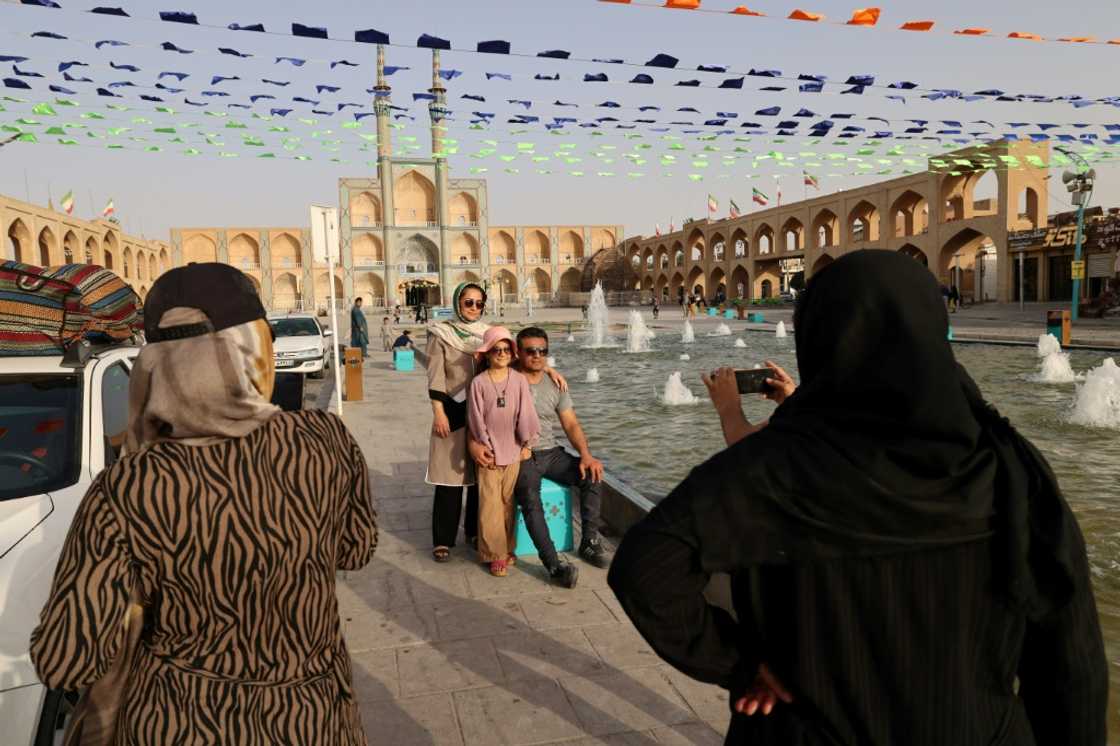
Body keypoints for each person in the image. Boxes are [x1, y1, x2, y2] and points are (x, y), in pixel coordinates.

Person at [608, 250, 1107, 746]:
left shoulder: (770, 467)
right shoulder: (1006, 468)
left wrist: (740, 663)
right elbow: (1070, 662)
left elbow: (645, 569)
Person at [30, 263, 377, 745]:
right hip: (312, 717)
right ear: (256, 352)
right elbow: (356, 550)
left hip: (176, 722)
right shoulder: (323, 439)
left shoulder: (129, 486)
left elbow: (67, 660)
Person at [507, 326, 609, 588]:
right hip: (522, 455)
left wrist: (586, 455)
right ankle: (553, 564)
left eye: (543, 351)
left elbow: (571, 424)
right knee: (531, 499)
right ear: (518, 352)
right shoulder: (505, 377)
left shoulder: (555, 384)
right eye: (530, 351)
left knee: (592, 474)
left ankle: (589, 541)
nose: (537, 356)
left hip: (551, 453)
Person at [468, 327, 540, 577]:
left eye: (505, 349)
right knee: (489, 505)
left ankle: (507, 546)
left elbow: (526, 412)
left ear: (512, 353)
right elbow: (476, 418)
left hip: (513, 451)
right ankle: (494, 555)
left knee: (507, 503)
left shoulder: (518, 380)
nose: (501, 353)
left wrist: (526, 443)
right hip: (489, 454)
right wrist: (483, 445)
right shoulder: (479, 383)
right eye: (496, 349)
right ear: (487, 354)